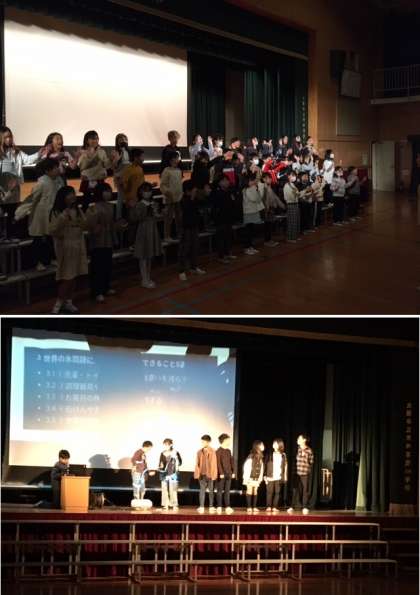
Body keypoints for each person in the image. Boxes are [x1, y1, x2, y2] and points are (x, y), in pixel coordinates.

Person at [49, 186, 88, 314]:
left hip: (78, 244)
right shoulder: (56, 212)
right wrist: (63, 216)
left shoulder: (77, 209)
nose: (72, 196)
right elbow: (53, 230)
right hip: (65, 246)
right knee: (67, 276)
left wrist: (83, 221)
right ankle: (58, 303)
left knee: (74, 275)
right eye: (69, 194)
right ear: (62, 197)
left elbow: (85, 225)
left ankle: (69, 302)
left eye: (73, 193)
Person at [86, 182, 127, 302]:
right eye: (106, 191)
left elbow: (112, 223)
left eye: (109, 191)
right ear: (99, 193)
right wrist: (96, 228)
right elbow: (91, 225)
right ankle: (96, 291)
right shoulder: (93, 207)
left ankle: (106, 287)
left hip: (108, 239)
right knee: (97, 266)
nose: (108, 193)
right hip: (98, 240)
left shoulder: (110, 206)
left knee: (107, 264)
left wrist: (118, 225)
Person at [20, 158, 63, 271]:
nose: (58, 169)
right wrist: (21, 214)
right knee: (38, 239)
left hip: (49, 215)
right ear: (47, 171)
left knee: (49, 238)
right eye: (55, 168)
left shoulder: (56, 181)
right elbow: (32, 200)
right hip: (39, 216)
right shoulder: (41, 183)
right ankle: (37, 262)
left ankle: (49, 259)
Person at [129, 182, 162, 288]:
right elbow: (136, 218)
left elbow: (156, 216)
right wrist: (147, 210)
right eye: (145, 191)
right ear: (140, 192)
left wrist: (160, 213)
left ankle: (148, 277)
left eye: (149, 191)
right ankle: (144, 279)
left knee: (149, 256)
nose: (147, 193)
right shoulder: (140, 204)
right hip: (143, 230)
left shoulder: (153, 203)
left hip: (152, 229)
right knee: (143, 256)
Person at [0, 126, 42, 202]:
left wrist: (38, 154)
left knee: (14, 206)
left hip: (14, 187)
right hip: (3, 188)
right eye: (5, 137)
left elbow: (27, 160)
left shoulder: (16, 152)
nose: (9, 139)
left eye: (10, 136)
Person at [178, 180, 206, 281]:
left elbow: (201, 204)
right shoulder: (183, 200)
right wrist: (192, 198)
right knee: (185, 248)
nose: (196, 190)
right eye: (194, 188)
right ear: (188, 191)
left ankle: (194, 267)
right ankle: (181, 271)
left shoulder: (195, 199)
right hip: (186, 227)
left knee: (195, 247)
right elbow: (186, 211)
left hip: (194, 226)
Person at [77, 130, 115, 198]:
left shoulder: (102, 151)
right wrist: (93, 156)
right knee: (87, 200)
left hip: (99, 180)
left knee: (99, 200)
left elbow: (106, 165)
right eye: (92, 138)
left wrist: (111, 159)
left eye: (97, 138)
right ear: (87, 140)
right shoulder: (82, 152)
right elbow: (81, 166)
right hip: (87, 181)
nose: (95, 140)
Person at [210, 175, 237, 263]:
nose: (227, 182)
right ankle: (221, 256)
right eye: (224, 180)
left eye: (227, 180)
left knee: (228, 236)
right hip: (220, 219)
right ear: (219, 182)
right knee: (221, 238)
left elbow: (233, 203)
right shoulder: (216, 192)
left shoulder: (229, 191)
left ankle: (228, 253)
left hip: (229, 217)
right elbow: (215, 207)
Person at [288, 434, 314, 515]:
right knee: (295, 489)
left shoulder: (309, 450)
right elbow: (293, 460)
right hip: (296, 472)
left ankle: (305, 506)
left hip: (305, 472)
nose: (297, 440)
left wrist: (306, 460)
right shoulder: (297, 449)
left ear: (304, 440)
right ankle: (292, 506)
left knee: (305, 490)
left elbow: (311, 461)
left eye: (299, 438)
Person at [160, 151, 183, 242]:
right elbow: (163, 185)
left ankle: (179, 233)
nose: (178, 159)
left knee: (179, 217)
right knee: (168, 218)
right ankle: (167, 236)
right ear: (171, 159)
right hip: (169, 198)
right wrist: (167, 193)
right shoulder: (166, 170)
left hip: (178, 198)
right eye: (176, 158)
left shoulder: (179, 170)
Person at [194, 434, 218, 513]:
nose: (202, 443)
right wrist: (197, 473)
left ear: (208, 442)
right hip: (202, 474)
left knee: (211, 491)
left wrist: (214, 474)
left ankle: (211, 506)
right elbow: (197, 463)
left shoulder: (213, 451)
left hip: (210, 474)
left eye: (204, 442)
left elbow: (214, 463)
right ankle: (201, 506)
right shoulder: (199, 451)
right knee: (202, 490)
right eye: (202, 442)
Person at [260, 172, 285, 247]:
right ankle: (267, 241)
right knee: (267, 226)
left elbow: (275, 197)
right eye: (268, 178)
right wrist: (265, 209)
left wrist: (282, 205)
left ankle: (269, 240)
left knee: (269, 225)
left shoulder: (269, 187)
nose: (270, 180)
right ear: (264, 179)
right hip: (266, 209)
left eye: (270, 178)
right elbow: (263, 199)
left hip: (271, 208)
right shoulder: (263, 187)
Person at [242, 173, 264, 255]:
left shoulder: (252, 188)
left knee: (251, 231)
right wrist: (255, 188)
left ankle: (250, 247)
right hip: (248, 212)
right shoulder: (246, 189)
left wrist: (256, 190)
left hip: (253, 211)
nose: (254, 182)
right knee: (248, 231)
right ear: (247, 181)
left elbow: (259, 199)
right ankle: (246, 248)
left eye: (253, 180)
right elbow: (254, 198)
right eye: (251, 180)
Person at [158, 438, 182, 511]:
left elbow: (180, 462)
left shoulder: (175, 452)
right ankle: (165, 504)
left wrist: (176, 459)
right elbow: (160, 463)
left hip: (173, 473)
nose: (166, 446)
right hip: (164, 474)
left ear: (171, 444)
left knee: (173, 490)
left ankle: (174, 504)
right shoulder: (162, 453)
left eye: (167, 445)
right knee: (164, 489)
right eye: (164, 445)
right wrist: (161, 466)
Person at [264, 439, 288, 512]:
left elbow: (285, 465)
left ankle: (275, 507)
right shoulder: (270, 454)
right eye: (274, 443)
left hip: (279, 476)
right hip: (270, 476)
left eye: (276, 443)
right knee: (269, 492)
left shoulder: (283, 455)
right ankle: (268, 506)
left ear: (280, 445)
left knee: (277, 492)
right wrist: (264, 476)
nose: (274, 444)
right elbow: (265, 464)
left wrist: (285, 476)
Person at [111, 133, 131, 219]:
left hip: (129, 175)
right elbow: (113, 166)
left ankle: (129, 216)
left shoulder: (129, 151)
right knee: (120, 197)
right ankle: (118, 217)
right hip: (120, 176)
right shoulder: (115, 152)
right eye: (121, 139)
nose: (123, 141)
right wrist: (118, 158)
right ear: (117, 141)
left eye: (125, 139)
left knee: (129, 197)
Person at [243, 440, 265, 512]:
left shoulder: (260, 456)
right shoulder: (251, 456)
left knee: (255, 491)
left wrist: (260, 478)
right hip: (250, 477)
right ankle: (249, 507)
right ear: (257, 446)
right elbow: (247, 467)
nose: (263, 446)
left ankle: (254, 507)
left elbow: (261, 468)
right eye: (262, 445)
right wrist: (246, 478)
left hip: (256, 477)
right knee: (249, 490)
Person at [216, 433, 235, 514]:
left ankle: (227, 506)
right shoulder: (218, 451)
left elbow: (231, 461)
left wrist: (233, 471)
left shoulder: (228, 451)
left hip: (228, 473)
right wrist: (221, 472)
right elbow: (218, 463)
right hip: (221, 474)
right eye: (228, 440)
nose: (229, 441)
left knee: (227, 491)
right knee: (220, 491)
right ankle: (219, 506)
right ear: (224, 440)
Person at [283, 171, 304, 242]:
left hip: (295, 204)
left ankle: (295, 236)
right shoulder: (286, 185)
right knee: (292, 222)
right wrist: (296, 194)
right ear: (288, 176)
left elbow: (298, 194)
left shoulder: (292, 185)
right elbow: (288, 197)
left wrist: (303, 192)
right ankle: (290, 237)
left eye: (294, 176)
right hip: (291, 204)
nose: (294, 177)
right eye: (292, 175)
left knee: (296, 221)